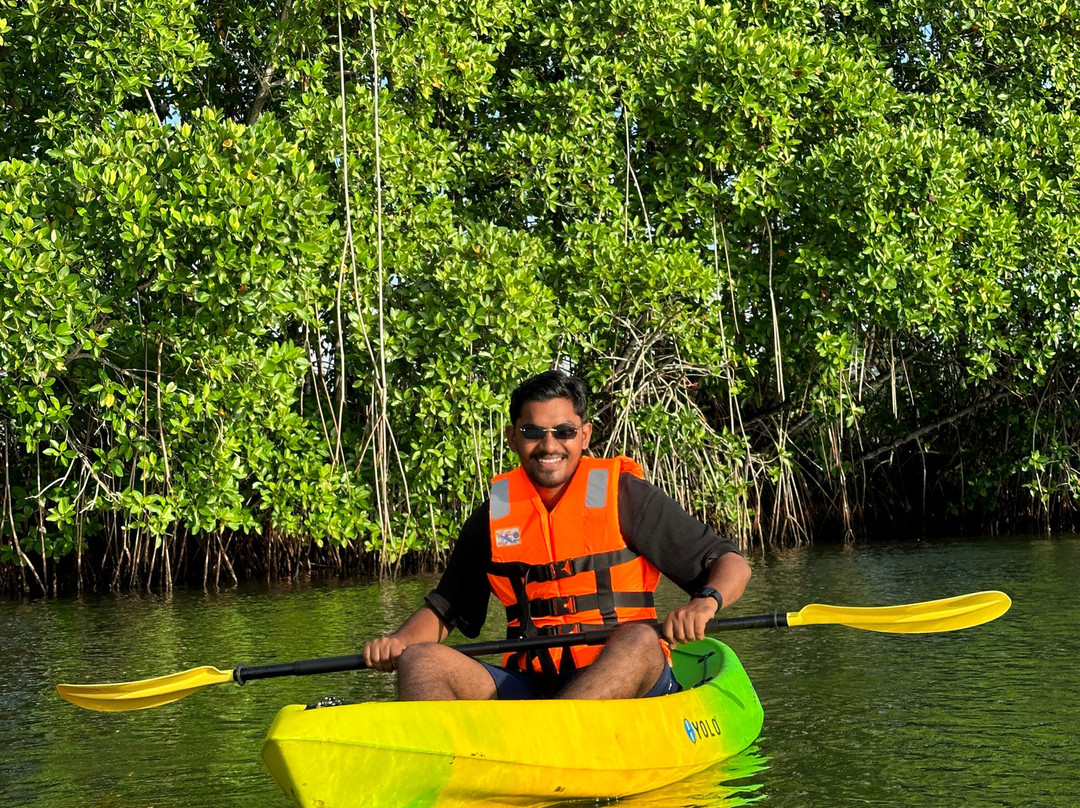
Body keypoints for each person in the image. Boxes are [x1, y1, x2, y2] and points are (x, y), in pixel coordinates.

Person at [363, 370, 751, 700]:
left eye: (563, 431)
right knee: (421, 658)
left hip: (628, 678)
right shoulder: (494, 516)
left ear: (584, 435)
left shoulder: (623, 497)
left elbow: (730, 562)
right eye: (533, 432)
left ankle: (559, 736)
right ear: (514, 438)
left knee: (639, 641)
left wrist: (706, 603)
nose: (549, 445)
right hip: (532, 685)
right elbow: (444, 609)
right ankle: (439, 763)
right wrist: (398, 643)